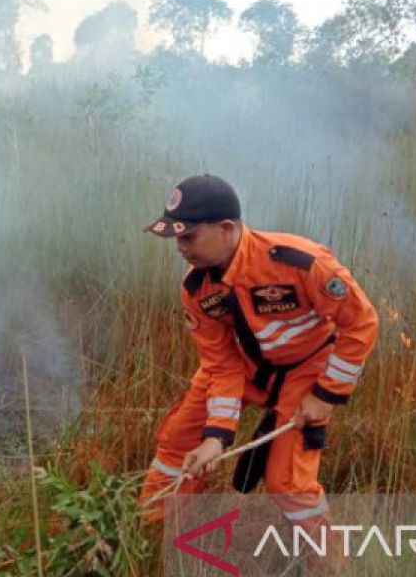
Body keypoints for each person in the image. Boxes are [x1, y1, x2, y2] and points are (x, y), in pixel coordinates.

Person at [139, 174, 378, 541]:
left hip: (305, 370)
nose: (179, 248)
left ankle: (328, 563)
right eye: (175, 238)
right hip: (246, 369)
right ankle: (148, 538)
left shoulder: (300, 263)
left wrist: (326, 394)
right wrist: (216, 436)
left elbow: (360, 322)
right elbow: (222, 365)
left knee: (287, 483)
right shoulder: (195, 289)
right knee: (177, 441)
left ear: (227, 228)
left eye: (188, 237)